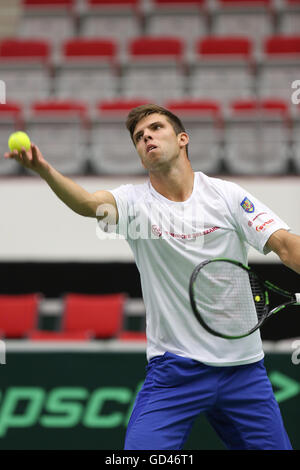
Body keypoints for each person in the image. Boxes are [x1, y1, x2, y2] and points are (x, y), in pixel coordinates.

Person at [4, 104, 300, 450]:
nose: (147, 137)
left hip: (244, 371)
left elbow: (285, 246)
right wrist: (43, 169)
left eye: (156, 128)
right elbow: (87, 203)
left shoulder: (227, 196)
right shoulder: (133, 203)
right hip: (175, 371)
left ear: (182, 139)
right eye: (139, 137)